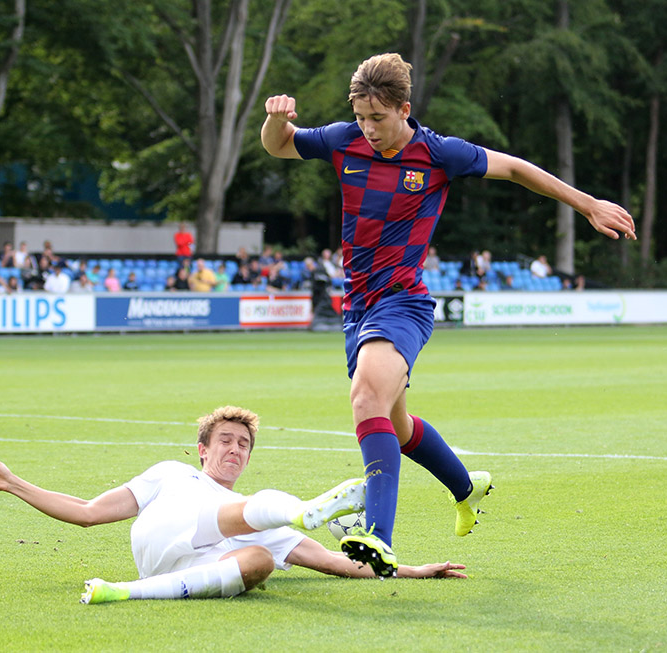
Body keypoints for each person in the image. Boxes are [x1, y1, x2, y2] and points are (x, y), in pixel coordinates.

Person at [262, 53, 636, 576]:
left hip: (403, 303)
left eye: (378, 119)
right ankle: (466, 486)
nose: (368, 129)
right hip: (359, 309)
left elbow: (516, 168)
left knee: (366, 394)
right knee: (393, 421)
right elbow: (279, 145)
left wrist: (586, 203)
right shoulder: (340, 138)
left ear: (404, 109)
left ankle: (377, 535)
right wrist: (277, 119)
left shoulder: (438, 153)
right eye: (362, 117)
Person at [0, 405, 465, 604]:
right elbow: (87, 512)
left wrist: (414, 570)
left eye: (243, 445)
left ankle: (123, 592)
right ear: (203, 450)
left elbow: (336, 562)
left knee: (259, 560)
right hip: (166, 531)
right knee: (249, 515)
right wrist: (15, 484)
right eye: (225, 442)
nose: (235, 450)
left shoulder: (256, 515)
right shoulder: (173, 473)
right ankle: (306, 512)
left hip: (190, 568)